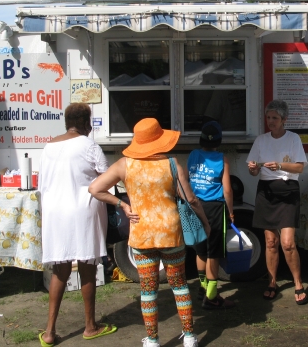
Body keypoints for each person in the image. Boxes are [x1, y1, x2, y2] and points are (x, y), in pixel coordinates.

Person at [88, 118, 210, 347]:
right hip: (171, 233)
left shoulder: (124, 164)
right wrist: (205, 222)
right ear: (159, 139)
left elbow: (95, 188)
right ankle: (190, 336)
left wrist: (121, 205)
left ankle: (152, 339)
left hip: (142, 235)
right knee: (180, 284)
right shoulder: (173, 164)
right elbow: (191, 199)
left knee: (148, 289)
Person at [38, 103, 117, 347]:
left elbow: (42, 184)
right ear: (85, 124)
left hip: (55, 213)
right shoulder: (89, 145)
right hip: (84, 210)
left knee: (59, 269)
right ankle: (90, 326)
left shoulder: (48, 146)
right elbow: (106, 177)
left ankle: (49, 332)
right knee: (87, 266)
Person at [246, 99, 308, 305]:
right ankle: (272, 281)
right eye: (268, 117)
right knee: (271, 242)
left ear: (284, 119)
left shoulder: (293, 139)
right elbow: (254, 171)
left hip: (287, 189)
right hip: (266, 191)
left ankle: (298, 283)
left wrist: (280, 165)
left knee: (288, 243)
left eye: (274, 118)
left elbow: (300, 167)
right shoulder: (261, 140)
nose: (270, 121)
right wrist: (254, 169)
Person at [188, 121, 235, 309]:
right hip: (215, 208)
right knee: (213, 252)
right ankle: (213, 296)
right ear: (219, 141)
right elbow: (228, 190)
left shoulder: (192, 155)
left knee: (200, 250)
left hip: (195, 206)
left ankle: (203, 287)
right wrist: (231, 212)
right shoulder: (222, 159)